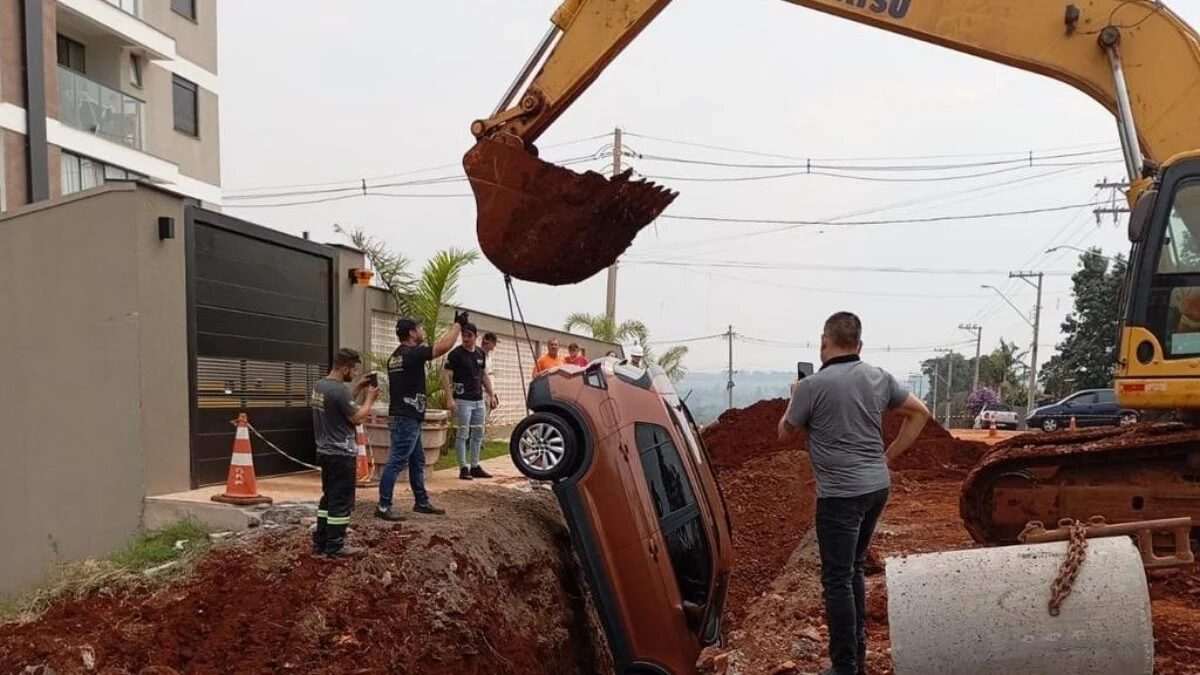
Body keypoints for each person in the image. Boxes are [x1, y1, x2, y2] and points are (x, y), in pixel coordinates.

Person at [777, 312, 930, 675]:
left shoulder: (813, 386)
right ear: (859, 344)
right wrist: (886, 457)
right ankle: (856, 657)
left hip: (840, 497)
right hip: (877, 488)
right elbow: (921, 413)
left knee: (836, 578)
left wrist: (793, 397)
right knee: (854, 569)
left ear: (823, 342)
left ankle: (845, 666)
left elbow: (785, 433)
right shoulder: (879, 377)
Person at [376, 312, 467, 521]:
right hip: (406, 418)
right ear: (411, 333)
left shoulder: (396, 356)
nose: (422, 331)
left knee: (418, 460)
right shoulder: (411, 354)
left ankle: (421, 501)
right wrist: (457, 326)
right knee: (397, 461)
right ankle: (383, 505)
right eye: (419, 328)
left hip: (407, 416)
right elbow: (443, 347)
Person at [311, 348, 379, 558]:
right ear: (344, 368)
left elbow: (340, 404)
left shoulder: (320, 386)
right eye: (353, 370)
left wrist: (358, 387)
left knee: (328, 498)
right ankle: (336, 546)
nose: (354, 374)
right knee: (340, 501)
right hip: (341, 454)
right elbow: (356, 417)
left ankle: (321, 541)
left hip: (325, 451)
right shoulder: (337, 390)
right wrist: (370, 399)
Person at [443, 323, 500, 480]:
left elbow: (484, 376)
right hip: (463, 400)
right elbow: (446, 376)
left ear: (475, 336)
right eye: (464, 335)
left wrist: (492, 395)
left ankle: (475, 465)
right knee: (463, 434)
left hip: (478, 400)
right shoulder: (456, 354)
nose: (465, 338)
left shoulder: (480, 354)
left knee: (478, 434)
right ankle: (463, 467)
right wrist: (449, 398)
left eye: (469, 335)